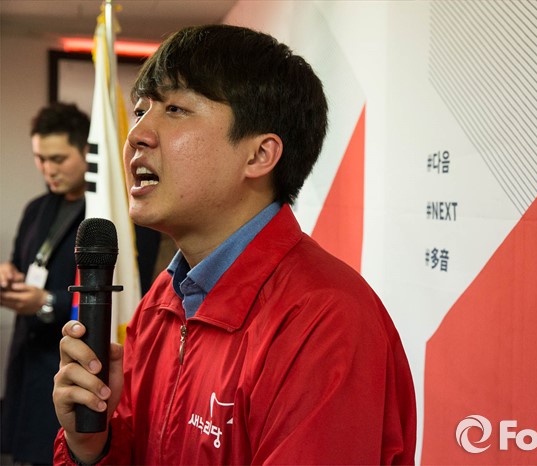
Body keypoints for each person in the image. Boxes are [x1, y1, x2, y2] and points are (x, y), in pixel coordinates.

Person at [53, 24, 417, 465]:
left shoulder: (326, 320)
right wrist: (91, 445)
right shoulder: (162, 302)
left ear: (259, 155)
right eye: (142, 109)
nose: (137, 134)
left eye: (175, 109)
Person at [0, 103, 90, 465]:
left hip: (70, 366)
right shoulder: (37, 208)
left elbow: (122, 299)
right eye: (40, 158)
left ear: (85, 150)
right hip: (26, 361)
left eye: (58, 159)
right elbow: (21, 264)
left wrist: (47, 302)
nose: (48, 169)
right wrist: (8, 274)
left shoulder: (105, 214)